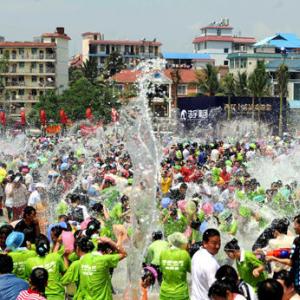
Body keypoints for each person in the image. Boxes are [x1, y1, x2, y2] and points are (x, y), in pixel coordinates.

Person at [25, 234, 68, 300]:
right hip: (58, 296)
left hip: (37, 297)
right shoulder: (56, 257)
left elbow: (29, 279)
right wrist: (65, 257)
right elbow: (65, 272)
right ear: (48, 247)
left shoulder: (29, 262)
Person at [267, 215, 300, 294]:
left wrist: (274, 258)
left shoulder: (297, 241)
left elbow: (291, 262)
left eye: (295, 224)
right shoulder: (294, 239)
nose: (294, 227)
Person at [159, 232, 191, 300]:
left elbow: (162, 269)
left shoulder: (163, 253)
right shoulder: (185, 254)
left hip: (165, 294)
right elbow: (191, 270)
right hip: (181, 294)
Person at [191, 228, 221, 300]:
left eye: (219, 242)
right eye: (214, 243)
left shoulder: (196, 255)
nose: (217, 246)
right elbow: (216, 291)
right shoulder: (211, 262)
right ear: (204, 243)